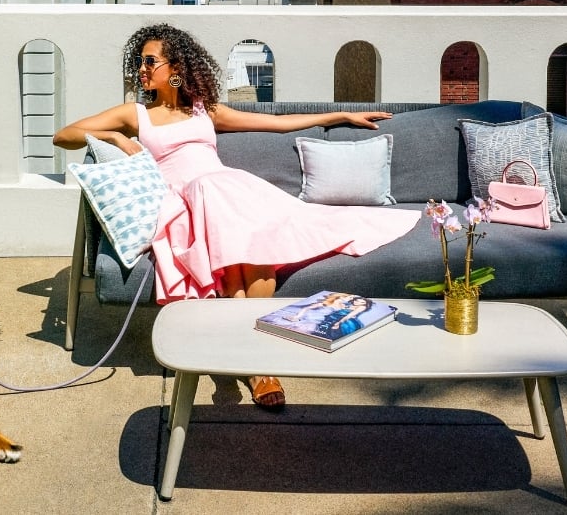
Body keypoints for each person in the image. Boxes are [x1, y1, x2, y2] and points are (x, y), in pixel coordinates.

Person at [53, 24, 420, 410]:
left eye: (150, 61)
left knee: (256, 264)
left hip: (228, 194)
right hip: (187, 204)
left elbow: (276, 122)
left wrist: (339, 115)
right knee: (212, 197)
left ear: (175, 66)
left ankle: (247, 359)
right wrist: (114, 137)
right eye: (139, 62)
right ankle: (258, 365)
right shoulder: (136, 114)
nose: (142, 69)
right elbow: (63, 135)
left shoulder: (203, 110)